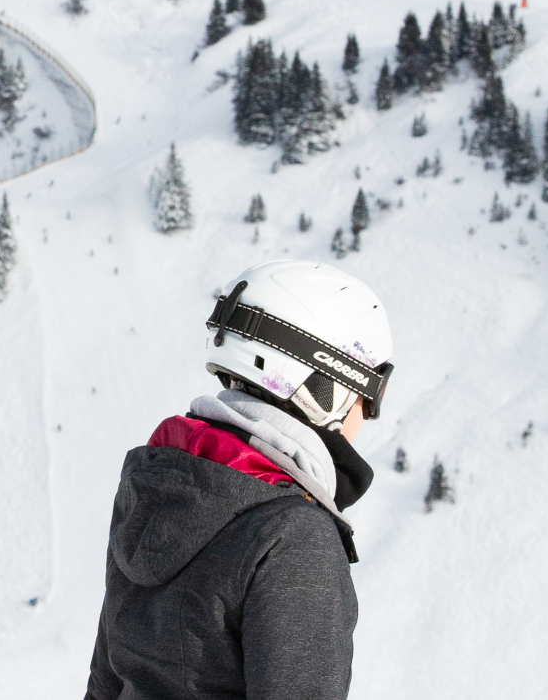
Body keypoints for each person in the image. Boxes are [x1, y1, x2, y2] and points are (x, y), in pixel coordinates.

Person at [84, 259, 394, 700]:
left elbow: (105, 683)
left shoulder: (159, 482)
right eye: (369, 393)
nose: (368, 413)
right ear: (327, 388)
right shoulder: (292, 536)